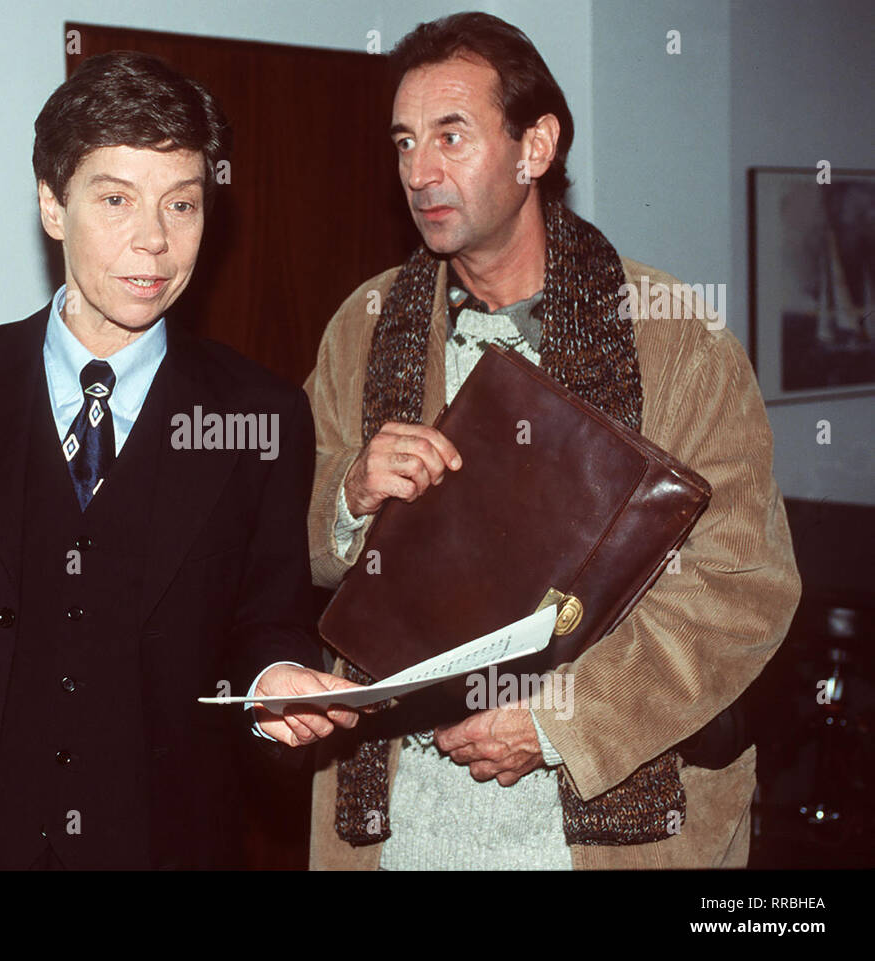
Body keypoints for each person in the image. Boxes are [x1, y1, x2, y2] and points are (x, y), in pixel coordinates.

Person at [0, 50, 358, 870]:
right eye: (115, 199)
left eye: (183, 204)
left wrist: (273, 678)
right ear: (52, 206)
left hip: (167, 841)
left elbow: (264, 618)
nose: (155, 242)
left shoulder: (262, 412)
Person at [304, 12, 801, 869]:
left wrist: (558, 721)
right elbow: (289, 539)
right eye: (404, 141)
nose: (420, 171)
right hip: (400, 824)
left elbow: (743, 587)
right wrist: (348, 495)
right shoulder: (365, 325)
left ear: (535, 147)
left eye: (451, 136)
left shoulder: (672, 335)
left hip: (599, 828)